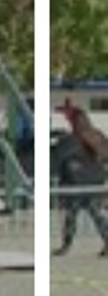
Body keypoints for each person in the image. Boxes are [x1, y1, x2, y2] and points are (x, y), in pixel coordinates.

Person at [54, 105, 108, 256]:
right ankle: (66, 244)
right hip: (85, 184)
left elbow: (62, 160)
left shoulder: (83, 137)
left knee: (90, 216)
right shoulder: (89, 136)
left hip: (84, 184)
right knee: (88, 216)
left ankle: (67, 245)